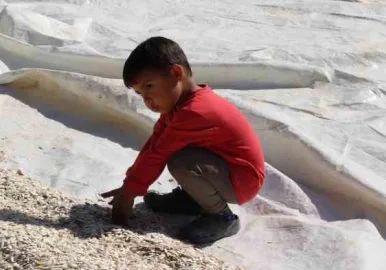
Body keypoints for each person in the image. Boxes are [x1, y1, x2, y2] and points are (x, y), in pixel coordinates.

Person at [101, 36, 266, 246]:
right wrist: (130, 185)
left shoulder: (195, 112)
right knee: (182, 156)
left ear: (176, 73)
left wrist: (130, 192)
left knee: (182, 162)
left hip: (242, 179)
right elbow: (155, 144)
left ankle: (221, 217)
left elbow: (159, 153)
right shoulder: (180, 106)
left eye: (149, 86)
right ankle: (192, 200)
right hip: (224, 169)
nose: (147, 99)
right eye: (140, 93)